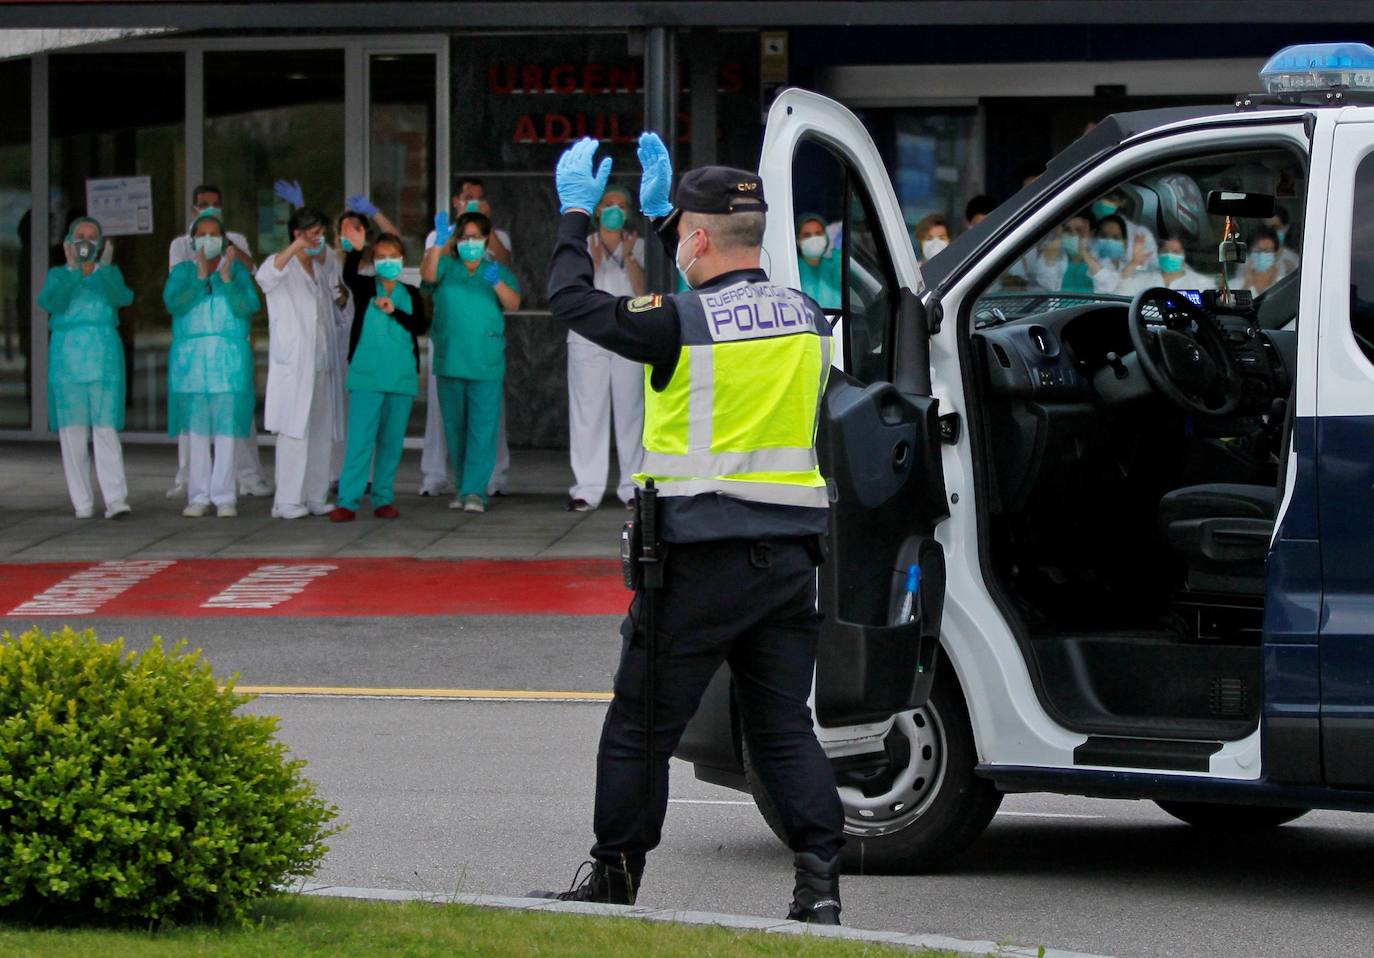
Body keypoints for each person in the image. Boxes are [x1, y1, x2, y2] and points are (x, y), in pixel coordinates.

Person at [531, 134, 845, 925]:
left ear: (699, 238)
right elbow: (727, 296)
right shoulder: (808, 316)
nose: (674, 243)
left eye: (678, 233)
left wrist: (574, 214)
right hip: (789, 563)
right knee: (781, 725)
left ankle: (615, 877)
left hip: (697, 558)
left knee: (641, 723)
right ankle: (819, 887)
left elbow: (572, 299)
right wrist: (666, 211)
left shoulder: (679, 321)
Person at [166, 185, 268, 501]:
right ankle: (191, 483)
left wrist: (230, 249)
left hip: (229, 345)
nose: (209, 208)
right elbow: (178, 293)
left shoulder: (234, 240)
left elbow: (251, 274)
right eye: (202, 205)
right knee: (194, 422)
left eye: (215, 205)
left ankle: (247, 478)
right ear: (193, 209)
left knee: (235, 416)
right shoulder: (181, 245)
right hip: (194, 347)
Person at [421, 210, 521, 513]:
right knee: (456, 428)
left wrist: (496, 284)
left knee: (482, 427)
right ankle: (463, 488)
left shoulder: (496, 270)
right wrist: (438, 244)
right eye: (464, 237)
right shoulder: (447, 267)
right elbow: (427, 277)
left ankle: (476, 491)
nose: (470, 243)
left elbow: (514, 303)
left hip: (485, 361)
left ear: (486, 239)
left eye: (476, 237)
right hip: (451, 357)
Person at [329, 226, 429, 522]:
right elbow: (348, 276)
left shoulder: (410, 292)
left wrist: (394, 311)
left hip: (400, 378)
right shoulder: (364, 289)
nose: (388, 261)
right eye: (382, 257)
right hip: (367, 377)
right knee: (360, 440)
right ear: (374, 261)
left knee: (390, 442)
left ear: (402, 259)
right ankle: (348, 501)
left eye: (394, 256)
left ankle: (383, 498)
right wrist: (356, 249)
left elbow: (420, 326)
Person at [256, 207, 348, 519]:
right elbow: (265, 277)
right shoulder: (279, 265)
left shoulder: (320, 271)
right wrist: (297, 246)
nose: (319, 239)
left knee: (321, 431)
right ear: (297, 235)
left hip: (322, 362)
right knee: (295, 431)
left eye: (321, 234)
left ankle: (315, 495)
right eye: (313, 234)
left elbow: (331, 314)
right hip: (294, 366)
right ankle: (287, 500)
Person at [39, 216, 134, 519]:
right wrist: (73, 272)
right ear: (69, 241)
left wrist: (102, 272)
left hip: (103, 357)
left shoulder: (109, 273)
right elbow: (51, 302)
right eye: (80, 235)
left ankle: (116, 498)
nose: (85, 242)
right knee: (73, 433)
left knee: (105, 429)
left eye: (92, 237)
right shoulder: (57, 274)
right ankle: (82, 502)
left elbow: (122, 297)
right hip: (67, 360)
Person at [566, 184, 646, 512]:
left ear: (627, 212)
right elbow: (572, 290)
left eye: (621, 204)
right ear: (597, 210)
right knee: (588, 414)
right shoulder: (582, 246)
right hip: (588, 338)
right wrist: (595, 262)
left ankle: (632, 487)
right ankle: (587, 488)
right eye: (608, 204)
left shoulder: (640, 246)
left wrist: (627, 257)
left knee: (632, 414)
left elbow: (645, 290)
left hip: (628, 337)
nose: (614, 209)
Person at [795, 213, 842, 310]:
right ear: (798, 241)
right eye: (807, 235)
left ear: (826, 236)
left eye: (818, 233)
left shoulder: (835, 267)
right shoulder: (793, 269)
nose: (814, 239)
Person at [1240, 227, 1292, 297]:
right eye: (1258, 250)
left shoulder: (1286, 285)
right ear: (1249, 254)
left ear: (1275, 255)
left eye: (1268, 251)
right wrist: (1246, 286)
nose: (1262, 255)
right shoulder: (1233, 285)